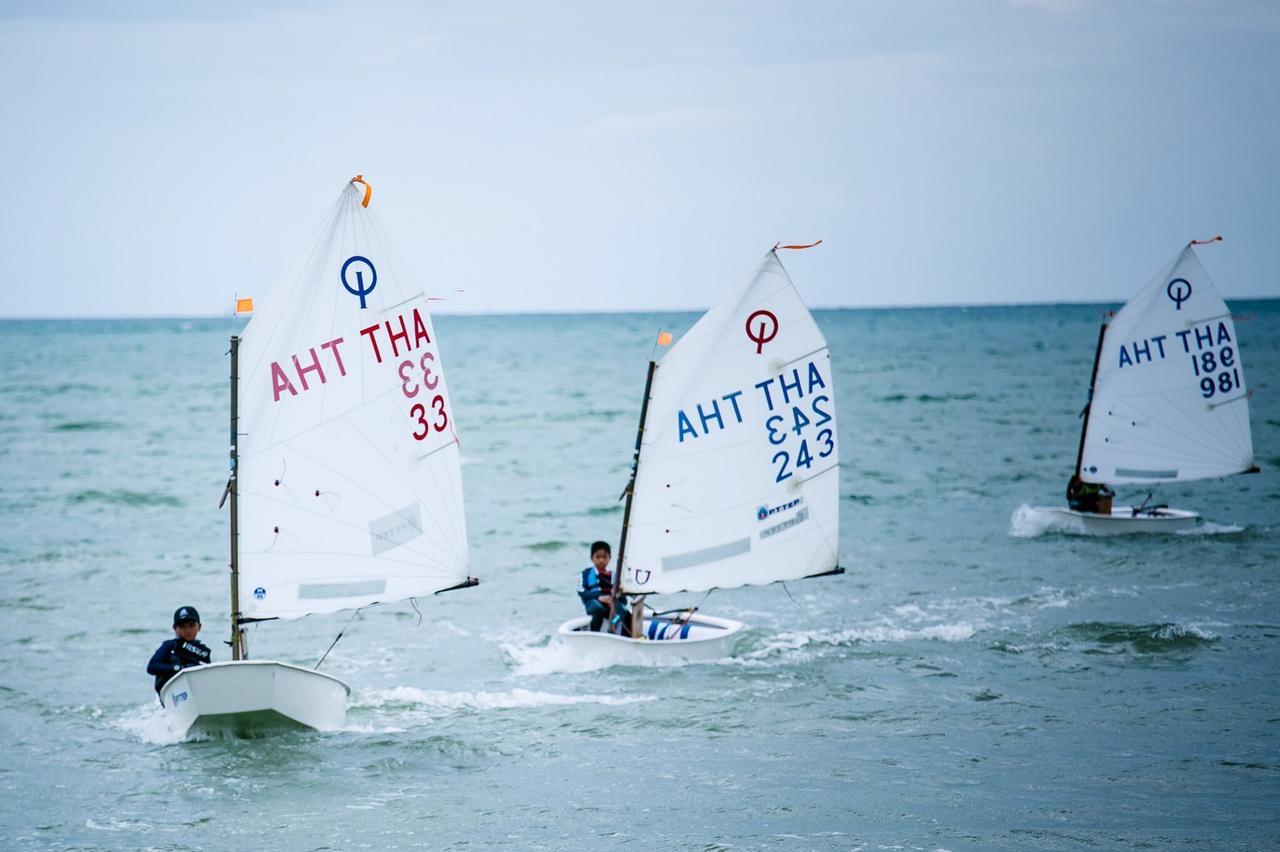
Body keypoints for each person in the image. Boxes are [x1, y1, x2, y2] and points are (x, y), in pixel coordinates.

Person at [147, 605, 212, 697]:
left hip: (196, 692)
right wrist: (177, 668)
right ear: (174, 628)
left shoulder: (202, 652)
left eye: (191, 625)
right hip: (172, 693)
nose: (187, 630)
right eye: (182, 626)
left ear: (199, 627)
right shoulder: (169, 646)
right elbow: (152, 667)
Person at [577, 540, 631, 637]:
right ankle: (594, 636)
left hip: (610, 606)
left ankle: (624, 635)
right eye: (598, 557)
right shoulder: (586, 573)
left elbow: (624, 600)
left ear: (609, 558)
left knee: (624, 614)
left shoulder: (614, 576)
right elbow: (582, 592)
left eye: (604, 557)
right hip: (593, 603)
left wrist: (615, 597)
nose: (601, 560)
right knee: (598, 609)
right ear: (592, 558)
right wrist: (599, 597)